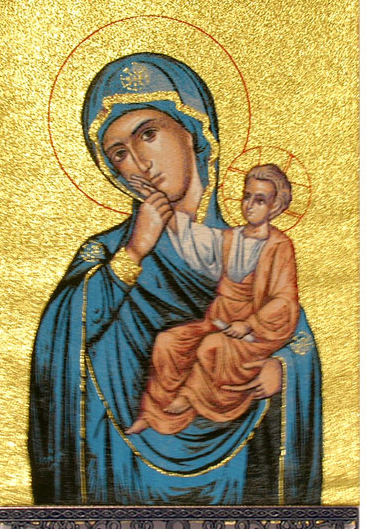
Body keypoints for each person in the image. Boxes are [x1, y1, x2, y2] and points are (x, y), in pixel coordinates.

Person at [28, 53, 322, 507]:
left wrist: (283, 370)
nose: (139, 163)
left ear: (195, 131)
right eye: (119, 153)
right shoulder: (106, 253)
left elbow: (292, 332)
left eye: (149, 134)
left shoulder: (254, 246)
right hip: (122, 467)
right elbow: (59, 344)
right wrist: (133, 253)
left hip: (239, 458)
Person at [126, 164, 299, 435]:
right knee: (168, 342)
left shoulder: (279, 246)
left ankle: (188, 398)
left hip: (255, 334)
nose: (250, 205)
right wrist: (158, 200)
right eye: (247, 196)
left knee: (211, 347)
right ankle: (154, 413)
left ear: (274, 206)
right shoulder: (230, 239)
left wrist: (249, 324)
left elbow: (285, 301)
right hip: (218, 320)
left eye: (260, 200)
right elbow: (190, 237)